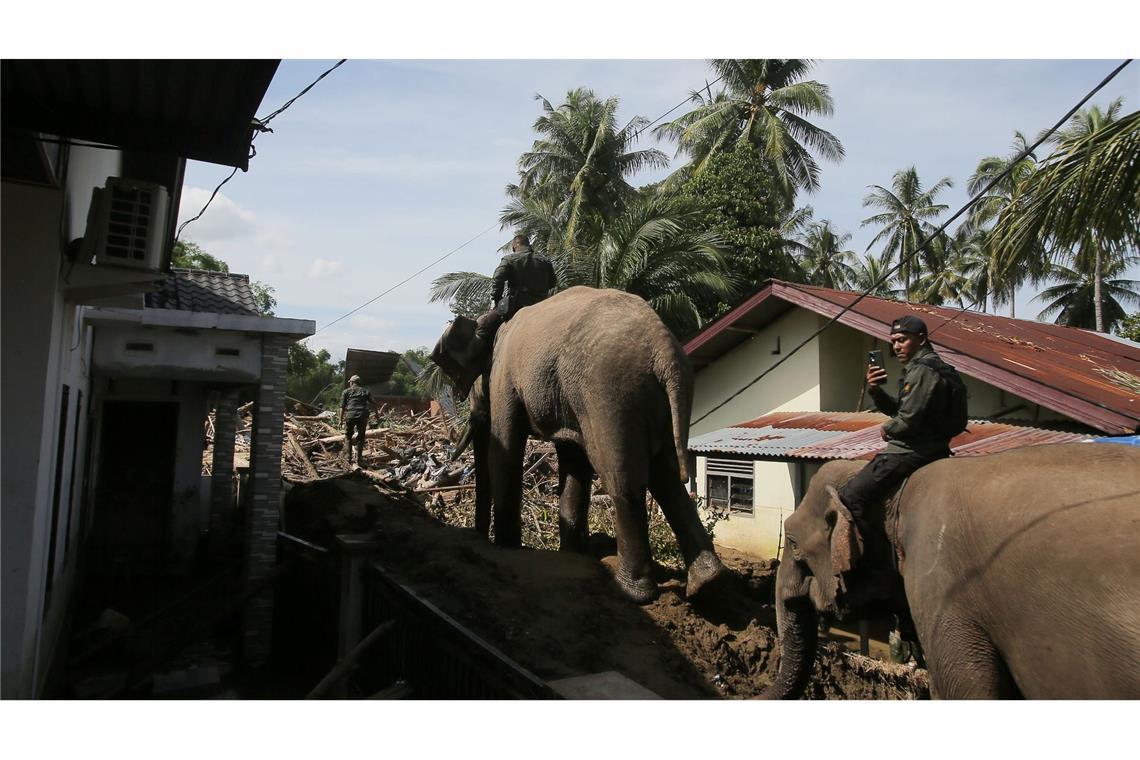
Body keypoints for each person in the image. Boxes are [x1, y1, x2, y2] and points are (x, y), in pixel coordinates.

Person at [838, 315, 964, 562]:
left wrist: (889, 429)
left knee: (851, 496)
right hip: (930, 445)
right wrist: (875, 391)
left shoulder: (923, 370)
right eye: (893, 341)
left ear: (921, 339)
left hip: (910, 450)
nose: (896, 347)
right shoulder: (930, 368)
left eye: (902, 340)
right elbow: (903, 410)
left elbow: (907, 420)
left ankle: (877, 559)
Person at [452, 233, 557, 396]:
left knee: (483, 327)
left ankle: (466, 379)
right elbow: (553, 283)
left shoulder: (509, 259)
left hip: (517, 306)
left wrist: (497, 301)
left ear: (514, 246)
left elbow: (497, 281)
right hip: (543, 306)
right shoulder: (544, 261)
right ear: (529, 245)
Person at [340, 375, 379, 465]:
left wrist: (340, 420)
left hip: (350, 415)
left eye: (350, 382)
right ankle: (359, 459)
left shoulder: (346, 392)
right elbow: (374, 404)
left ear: (352, 382)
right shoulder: (365, 391)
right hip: (362, 416)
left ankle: (348, 458)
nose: (349, 384)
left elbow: (342, 407)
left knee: (348, 436)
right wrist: (377, 415)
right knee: (361, 438)